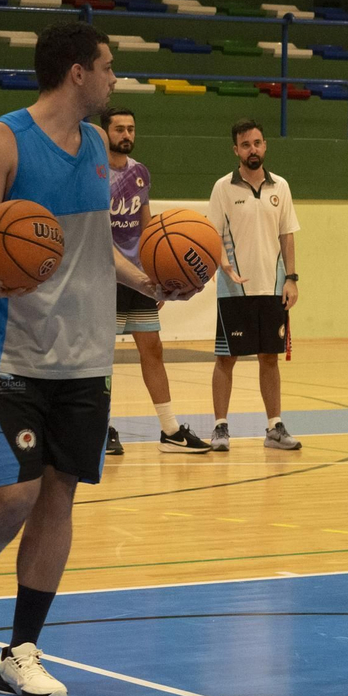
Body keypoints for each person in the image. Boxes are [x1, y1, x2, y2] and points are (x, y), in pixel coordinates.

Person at [0, 22, 192, 696]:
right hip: (10, 351)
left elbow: (94, 245)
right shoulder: (0, 141)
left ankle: (21, 651)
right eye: (108, 66)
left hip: (84, 357)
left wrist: (147, 281)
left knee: (58, 496)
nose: (114, 78)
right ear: (78, 71)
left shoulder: (99, 145)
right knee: (15, 493)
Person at [101, 107, 210, 454]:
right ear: (104, 133)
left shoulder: (140, 173)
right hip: (105, 276)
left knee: (153, 349)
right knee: (101, 356)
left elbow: (148, 227)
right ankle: (99, 428)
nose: (126, 135)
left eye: (131, 129)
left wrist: (155, 273)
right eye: (119, 129)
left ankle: (170, 430)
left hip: (138, 277)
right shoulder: (94, 173)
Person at [206, 119, 302, 451]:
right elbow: (213, 234)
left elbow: (287, 235)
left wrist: (291, 279)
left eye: (257, 143)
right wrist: (224, 263)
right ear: (236, 150)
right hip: (234, 289)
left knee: (270, 358)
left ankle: (274, 427)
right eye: (245, 144)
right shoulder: (223, 188)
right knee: (226, 359)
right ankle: (220, 427)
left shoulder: (281, 187)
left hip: (273, 288)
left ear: (265, 146)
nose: (253, 149)